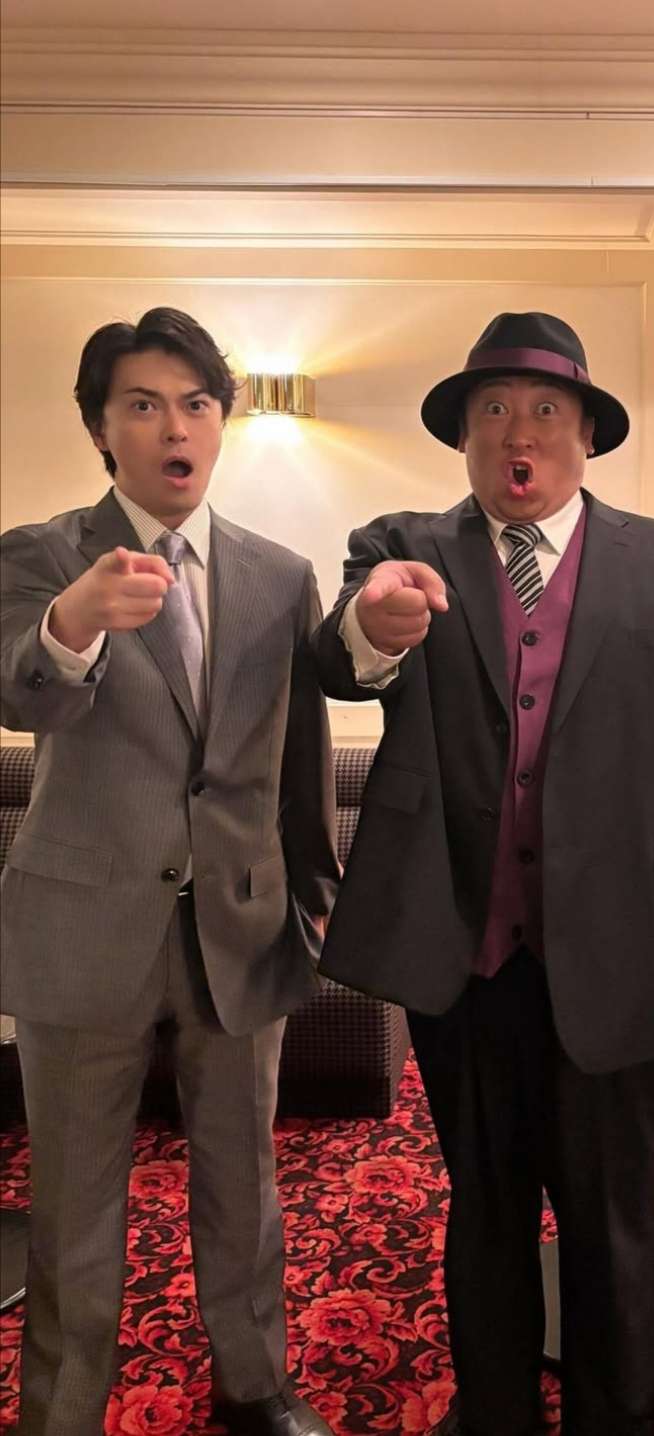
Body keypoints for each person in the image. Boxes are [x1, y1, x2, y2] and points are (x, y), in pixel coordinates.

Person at [311, 311, 654, 1435]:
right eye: (494, 410)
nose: (520, 432)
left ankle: (618, 1415)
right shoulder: (402, 544)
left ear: (586, 433)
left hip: (627, 947)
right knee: (486, 1208)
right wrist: (376, 623)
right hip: (466, 953)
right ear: (463, 436)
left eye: (547, 409)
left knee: (615, 1218)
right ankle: (494, 1412)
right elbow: (341, 661)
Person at [0, 308, 340, 1436]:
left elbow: (299, 758)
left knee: (245, 1182)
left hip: (238, 925)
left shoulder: (280, 575)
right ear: (102, 427)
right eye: (143, 405)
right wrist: (72, 625)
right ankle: (62, 1411)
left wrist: (310, 901)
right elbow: (16, 693)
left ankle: (256, 1386)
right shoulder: (44, 555)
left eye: (196, 404)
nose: (174, 427)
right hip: (83, 929)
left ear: (222, 422)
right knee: (73, 1200)